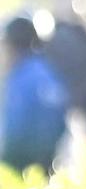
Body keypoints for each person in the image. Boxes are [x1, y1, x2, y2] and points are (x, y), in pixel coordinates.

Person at [3, 15, 71, 173]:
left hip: (20, 165)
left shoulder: (21, 76)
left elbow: (14, 128)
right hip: (48, 161)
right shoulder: (48, 70)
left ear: (13, 45)